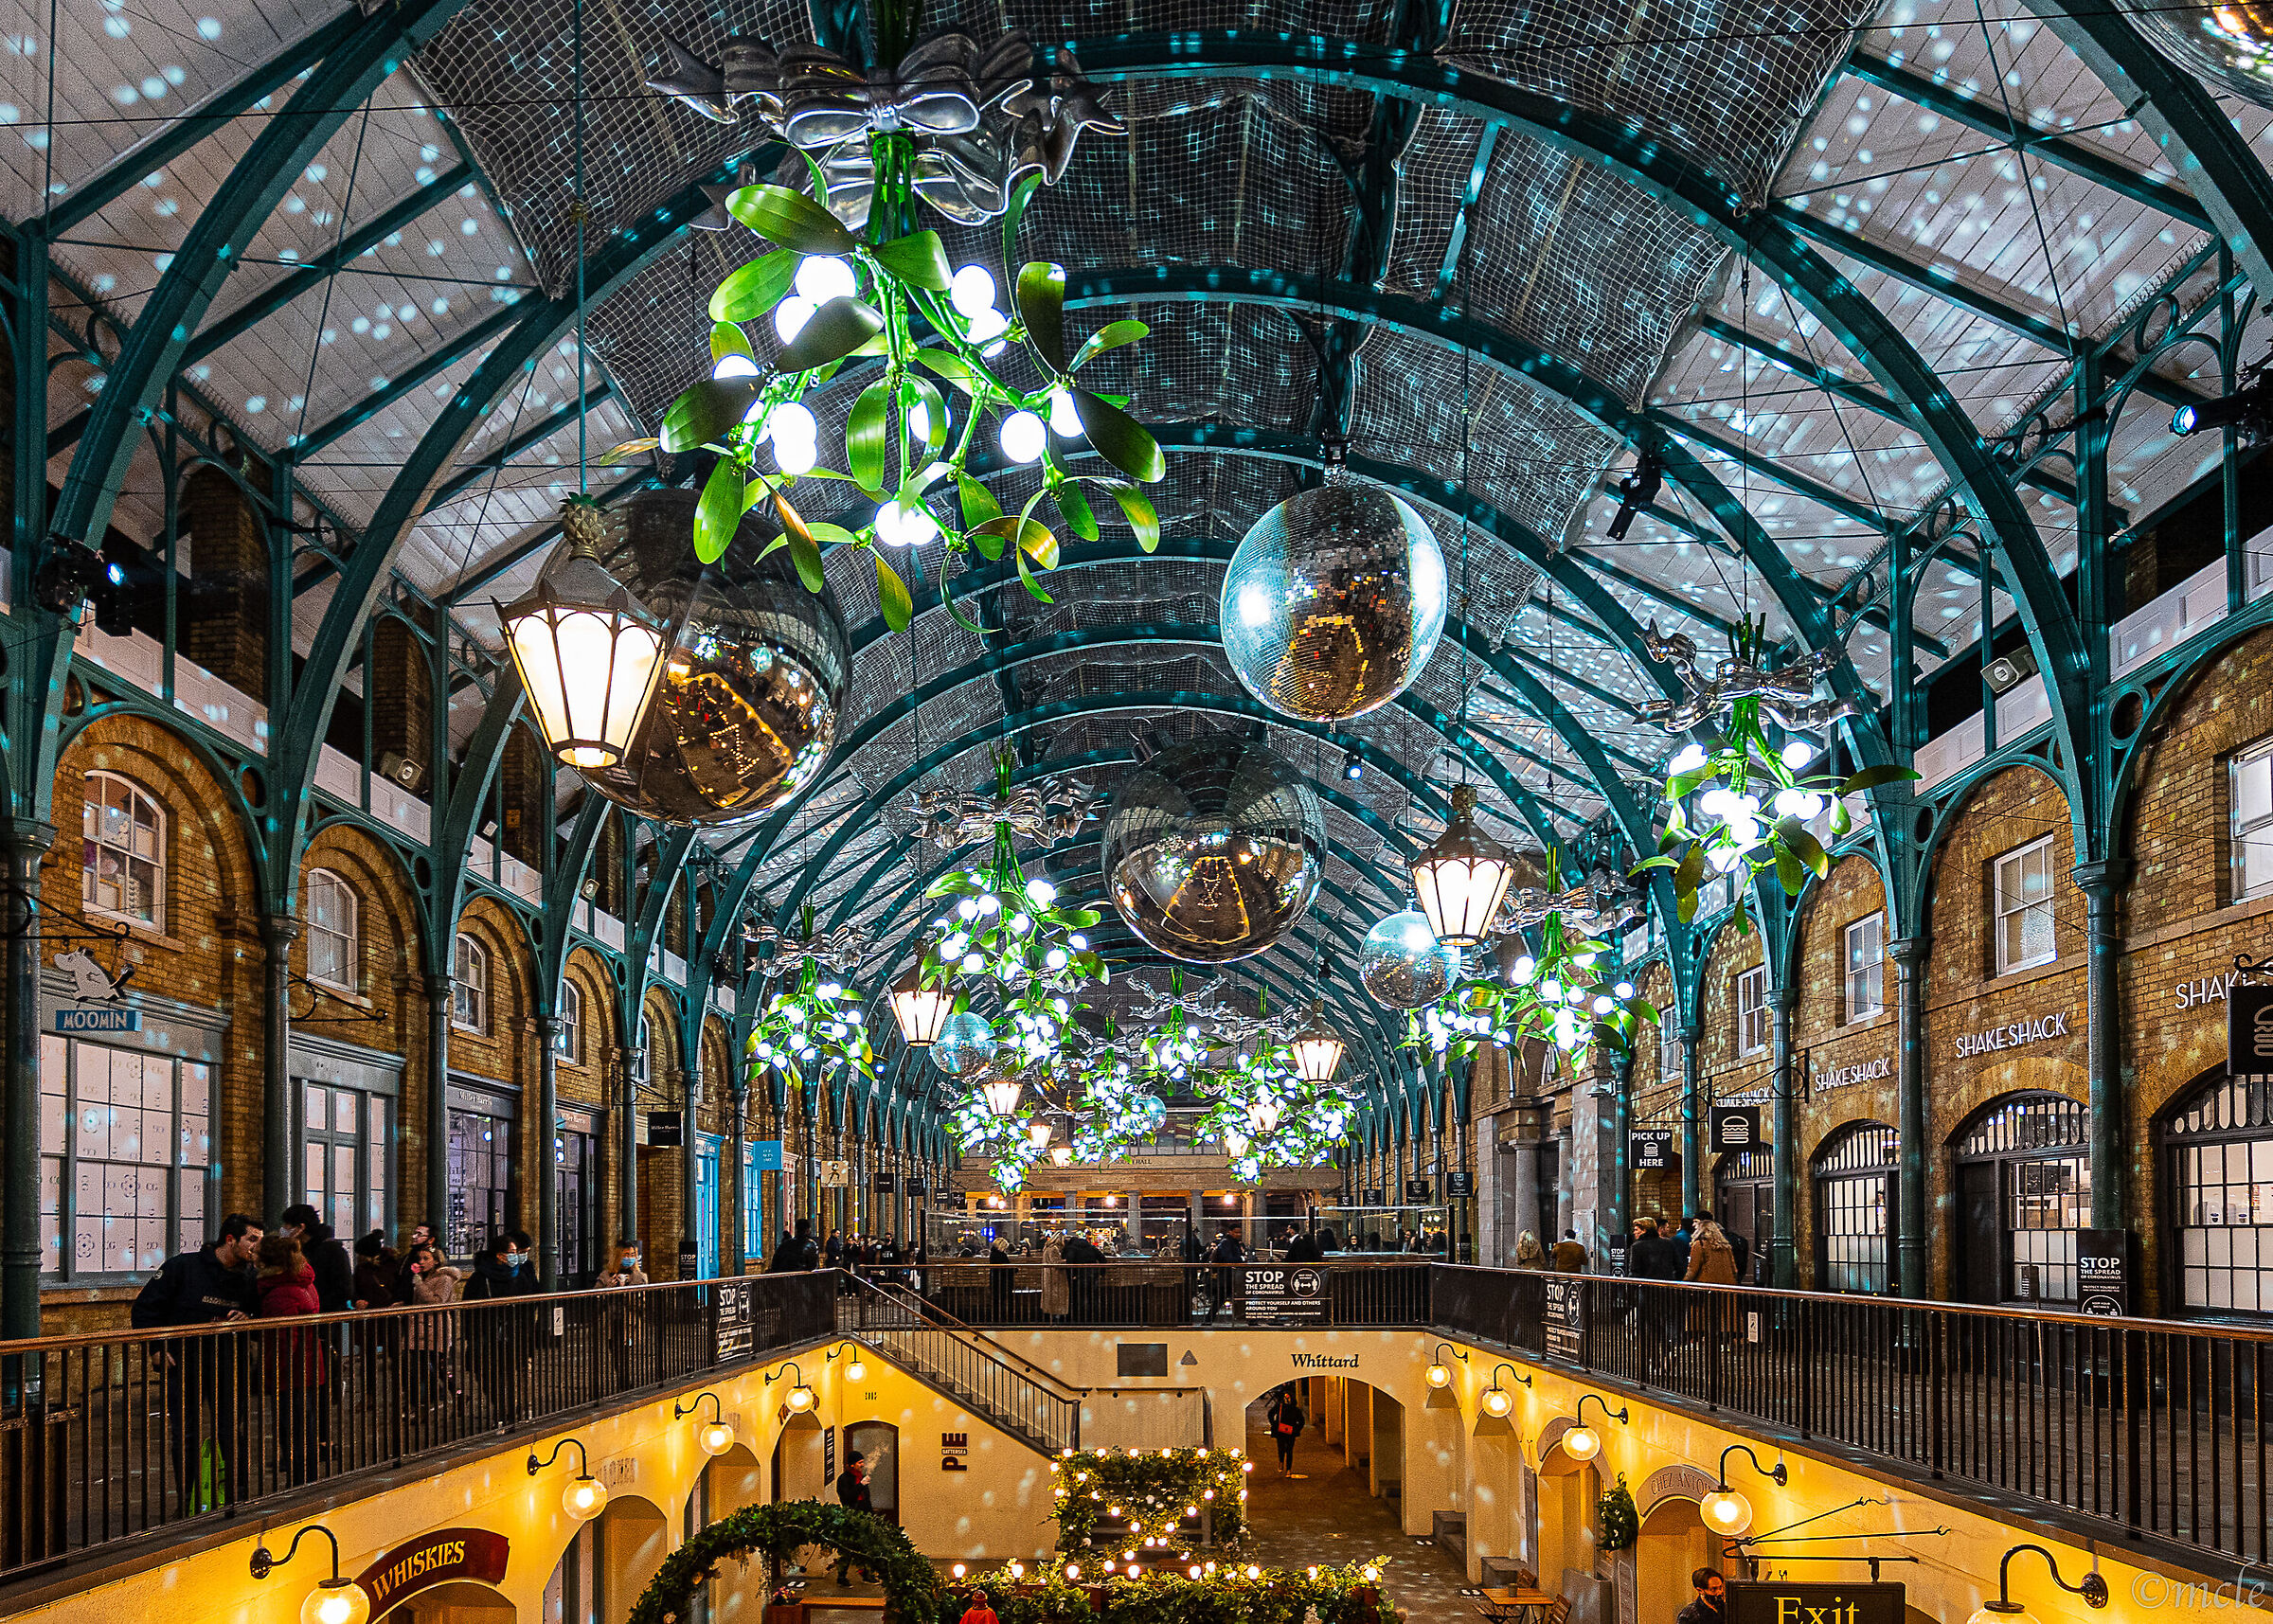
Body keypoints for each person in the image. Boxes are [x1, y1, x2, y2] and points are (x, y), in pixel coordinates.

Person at [133, 1213, 260, 1512]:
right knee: (185, 1432)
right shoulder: (183, 1267)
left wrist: (251, 1319)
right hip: (184, 1362)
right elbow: (145, 1308)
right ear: (231, 1240)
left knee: (232, 1430)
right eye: (252, 1239)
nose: (257, 1248)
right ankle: (190, 1499)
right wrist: (155, 1349)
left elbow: (264, 1311)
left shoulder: (251, 1278)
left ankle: (234, 1496)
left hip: (230, 1362)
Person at [253, 1232, 327, 1486]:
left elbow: (284, 1342)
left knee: (292, 1428)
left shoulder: (280, 1292)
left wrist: (269, 1373)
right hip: (308, 1367)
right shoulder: (303, 1282)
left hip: (292, 1371)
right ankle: (306, 1478)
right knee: (305, 1426)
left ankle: (300, 1482)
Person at [461, 1230, 541, 1422]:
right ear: (500, 1255)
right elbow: (468, 1311)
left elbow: (529, 1306)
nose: (516, 1256)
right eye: (512, 1252)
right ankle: (502, 1407)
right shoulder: (480, 1279)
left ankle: (510, 1410)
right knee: (488, 1375)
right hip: (486, 1336)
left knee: (511, 1375)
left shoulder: (519, 1277)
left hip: (513, 1336)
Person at [402, 1241, 463, 1417]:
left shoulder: (444, 1279)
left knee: (439, 1367)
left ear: (436, 1261)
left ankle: (455, 1394)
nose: (421, 1262)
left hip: (435, 1329)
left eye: (426, 1258)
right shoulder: (424, 1278)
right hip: (418, 1328)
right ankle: (422, 1404)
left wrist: (419, 1285)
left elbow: (437, 1302)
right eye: (419, 1258)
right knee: (417, 1368)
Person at [280, 1203, 354, 1315]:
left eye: (287, 1225)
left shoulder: (333, 1250)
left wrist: (315, 1306)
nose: (283, 1229)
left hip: (325, 1318)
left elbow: (344, 1289)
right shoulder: (296, 1250)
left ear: (300, 1227)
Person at [832, 1450, 879, 1584]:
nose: (862, 1465)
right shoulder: (844, 1479)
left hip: (864, 1516)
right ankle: (841, 1577)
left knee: (866, 1547)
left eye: (863, 1462)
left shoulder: (860, 1477)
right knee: (848, 1549)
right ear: (852, 1464)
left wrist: (871, 1516)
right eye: (860, 1462)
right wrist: (861, 1485)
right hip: (851, 1518)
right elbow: (847, 1497)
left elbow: (866, 1499)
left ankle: (866, 1574)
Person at [1063, 1227, 1105, 1320]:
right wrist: (1102, 1273)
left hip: (1079, 1276)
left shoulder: (1072, 1248)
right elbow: (1102, 1258)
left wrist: (1071, 1275)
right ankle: (1095, 1317)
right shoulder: (1091, 1247)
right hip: (1093, 1275)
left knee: (1079, 1297)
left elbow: (1070, 1262)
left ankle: (1080, 1318)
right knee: (1093, 1297)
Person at [1208, 1225, 1246, 1320]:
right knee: (1225, 1299)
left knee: (1219, 1299)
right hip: (1228, 1276)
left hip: (1228, 1276)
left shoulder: (1229, 1242)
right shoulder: (1228, 1243)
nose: (1239, 1234)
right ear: (1230, 1232)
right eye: (1236, 1232)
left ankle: (1208, 1320)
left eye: (1240, 1232)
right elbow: (1228, 1259)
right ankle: (1249, 1320)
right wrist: (1241, 1259)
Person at [1266, 1384, 1306, 1475]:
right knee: (1281, 1448)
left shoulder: (1295, 1410)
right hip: (1281, 1431)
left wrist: (1296, 1429)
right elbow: (1270, 1414)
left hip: (1290, 1432)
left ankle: (1288, 1468)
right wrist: (1274, 1424)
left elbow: (1301, 1421)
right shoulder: (1279, 1407)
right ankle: (1281, 1462)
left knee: (1289, 1450)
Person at [988, 1237, 1014, 1319]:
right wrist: (1014, 1270)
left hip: (996, 1280)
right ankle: (1002, 1317)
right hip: (1002, 1281)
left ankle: (996, 1317)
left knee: (996, 1300)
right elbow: (1006, 1267)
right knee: (1002, 1299)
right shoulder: (1001, 1255)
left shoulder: (993, 1254)